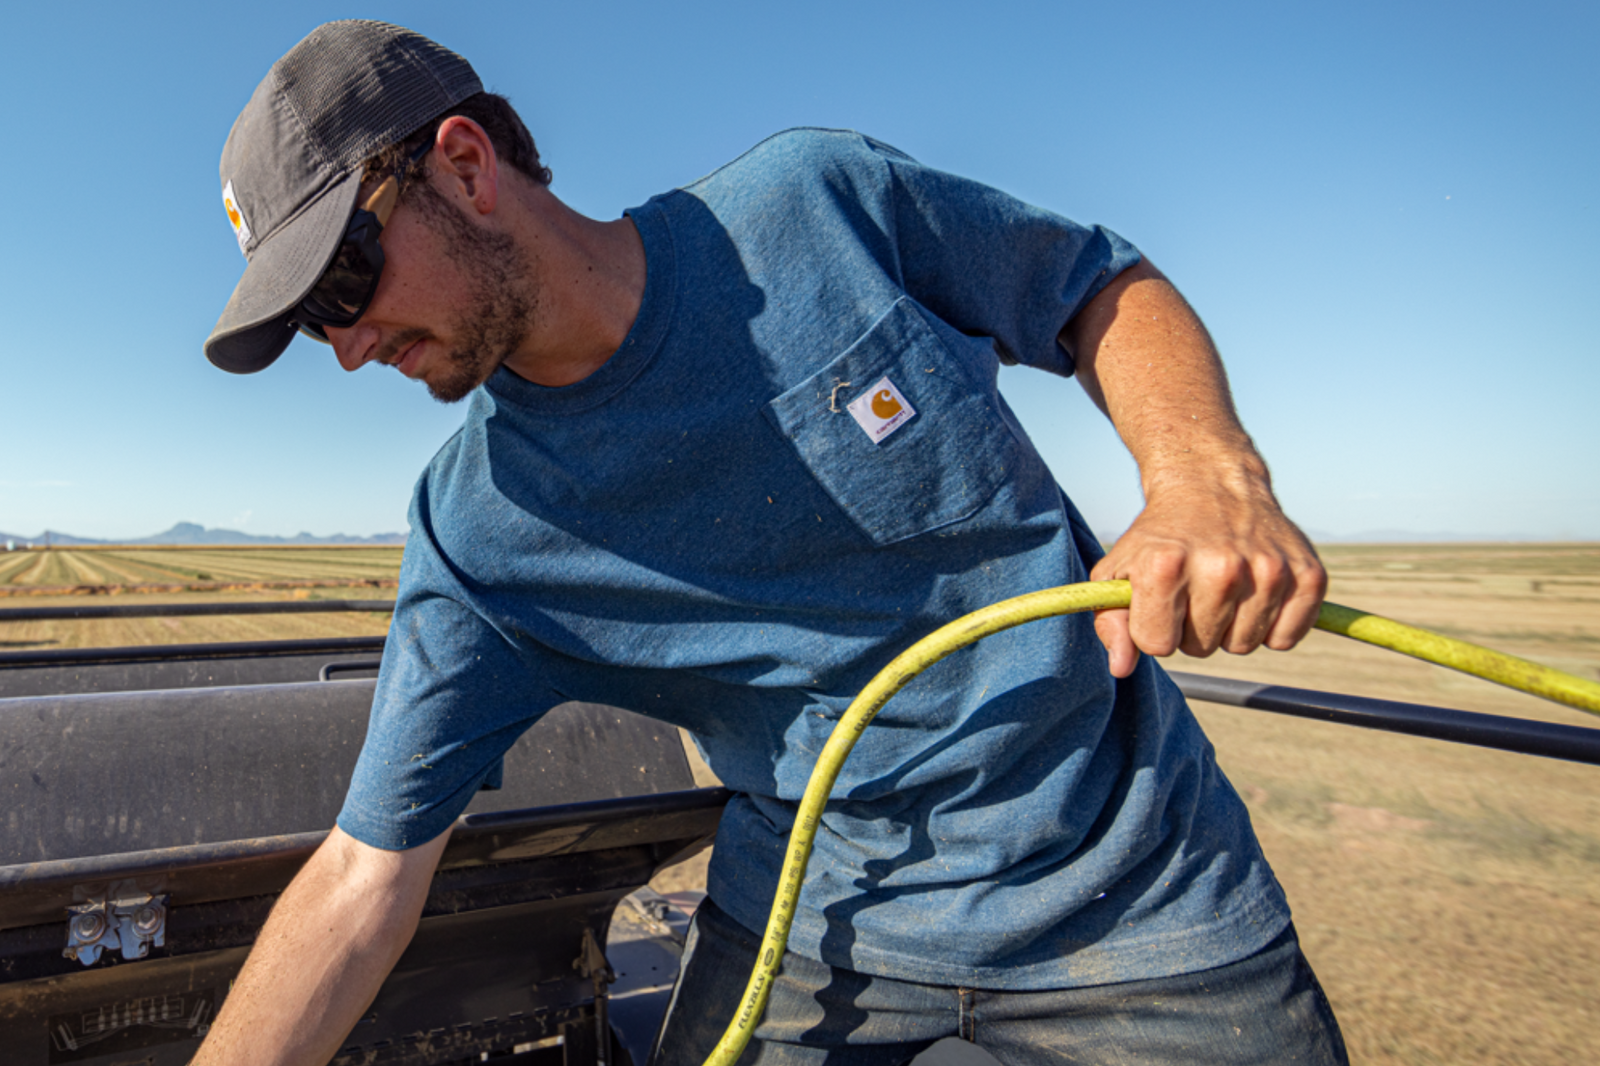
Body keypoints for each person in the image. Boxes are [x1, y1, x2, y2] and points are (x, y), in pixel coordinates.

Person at [198, 20, 1346, 1066]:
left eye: (343, 279)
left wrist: (1203, 479)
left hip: (1146, 910)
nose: (344, 348)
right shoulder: (478, 535)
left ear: (463, 165)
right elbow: (364, 875)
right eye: (309, 323)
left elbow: (1093, 283)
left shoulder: (814, 207)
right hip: (809, 942)